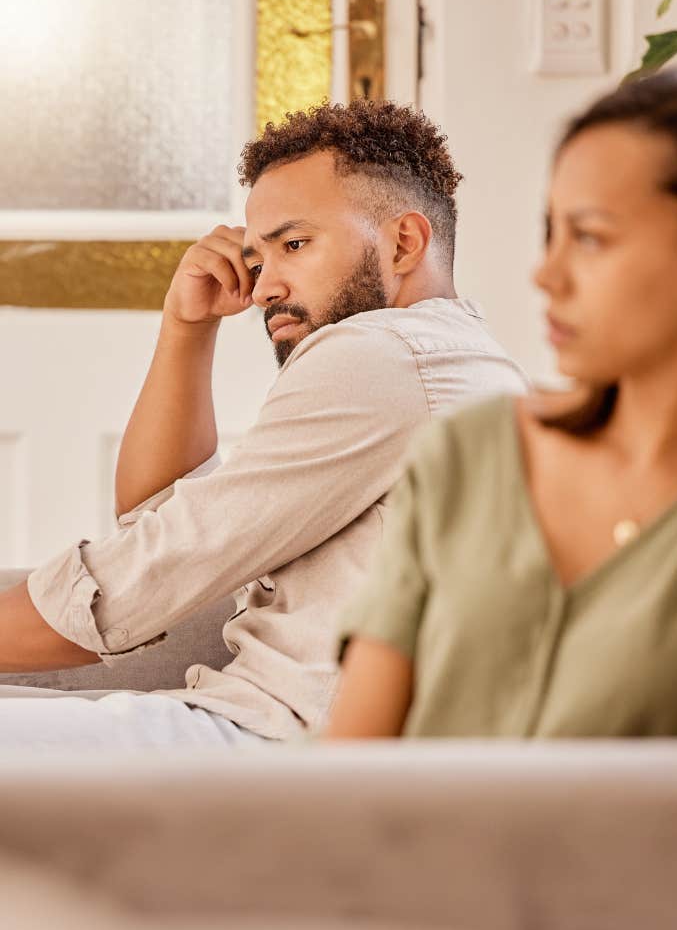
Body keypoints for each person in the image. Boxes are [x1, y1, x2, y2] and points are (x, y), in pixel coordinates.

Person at [326, 62, 677, 739]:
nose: (546, 274)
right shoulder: (470, 452)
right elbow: (350, 761)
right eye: (553, 232)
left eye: (591, 237)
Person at [0, 100, 528, 748]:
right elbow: (164, 523)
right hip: (256, 720)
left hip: (279, 746)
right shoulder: (445, 356)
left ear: (404, 242)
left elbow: (140, 579)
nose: (261, 289)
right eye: (257, 260)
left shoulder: (382, 356)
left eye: (294, 245)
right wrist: (187, 326)